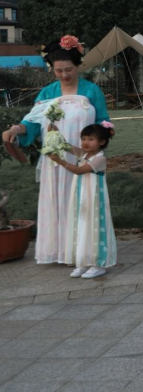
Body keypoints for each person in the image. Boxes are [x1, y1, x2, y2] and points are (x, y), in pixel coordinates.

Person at [2, 35, 109, 265]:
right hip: (54, 160)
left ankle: (82, 251)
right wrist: (17, 129)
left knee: (82, 202)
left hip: (82, 156)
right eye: (58, 70)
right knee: (56, 202)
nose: (64, 75)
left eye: (68, 69)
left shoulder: (91, 91)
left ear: (78, 66)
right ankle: (58, 251)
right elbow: (32, 123)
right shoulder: (48, 93)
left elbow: (103, 121)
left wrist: (105, 132)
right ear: (52, 69)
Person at [50, 121, 117, 279]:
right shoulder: (84, 154)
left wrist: (60, 161)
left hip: (95, 200)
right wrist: (55, 133)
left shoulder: (100, 159)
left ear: (102, 142)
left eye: (90, 139)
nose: (85, 142)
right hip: (81, 197)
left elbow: (79, 171)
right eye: (84, 139)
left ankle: (98, 264)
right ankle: (84, 262)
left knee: (94, 227)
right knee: (82, 227)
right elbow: (66, 146)